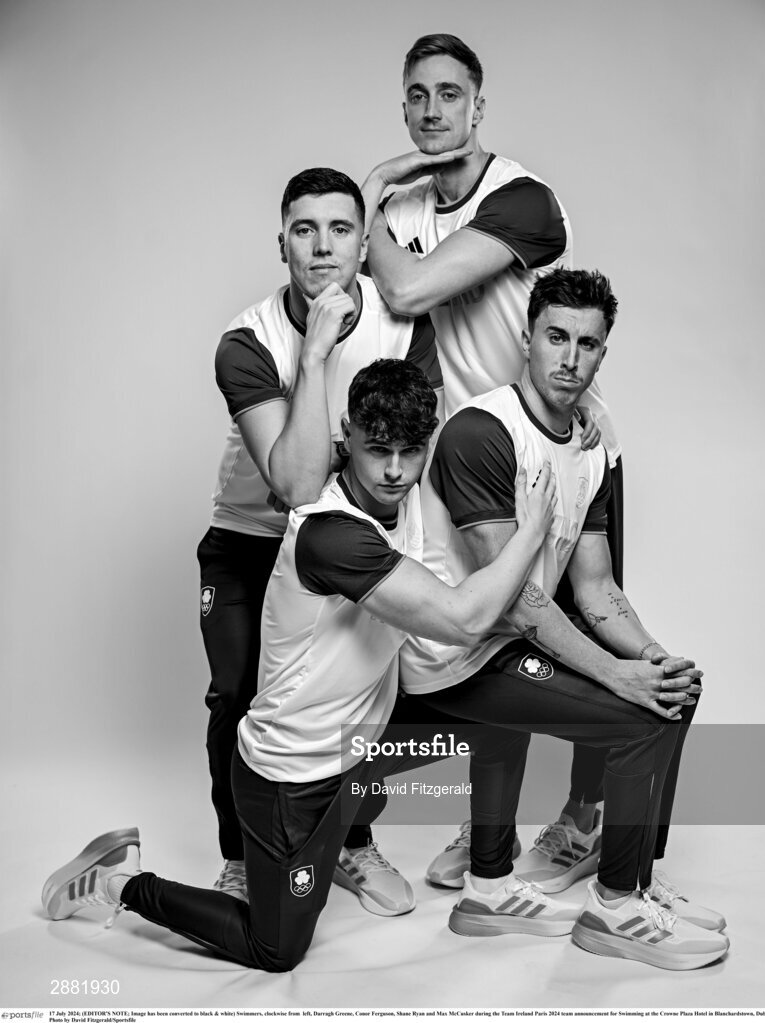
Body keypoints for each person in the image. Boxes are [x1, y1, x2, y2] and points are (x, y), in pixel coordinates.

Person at [42, 359, 558, 972]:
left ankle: (488, 882)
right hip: (291, 776)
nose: (395, 470)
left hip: (357, 752)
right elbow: (464, 617)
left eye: (410, 451)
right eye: (378, 450)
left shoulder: (412, 493)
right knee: (277, 949)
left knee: (500, 716)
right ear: (346, 438)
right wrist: (532, 530)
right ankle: (115, 881)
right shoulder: (329, 534)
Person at [400, 270, 728, 970]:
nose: (569, 357)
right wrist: (619, 677)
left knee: (671, 688)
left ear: (602, 353)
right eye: (555, 336)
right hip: (449, 652)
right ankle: (615, 907)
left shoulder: (588, 447)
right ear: (526, 337)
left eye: (587, 343)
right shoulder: (481, 430)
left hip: (503, 646)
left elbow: (595, 583)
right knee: (641, 717)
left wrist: (650, 656)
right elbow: (516, 598)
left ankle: (502, 887)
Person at [361, 33, 623, 888]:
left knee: (583, 617)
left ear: (479, 105)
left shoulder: (522, 198)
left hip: (558, 434)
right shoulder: (401, 217)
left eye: (449, 94)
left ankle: (583, 819)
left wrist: (366, 193)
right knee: (487, 641)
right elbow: (395, 327)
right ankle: (488, 844)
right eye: (417, 96)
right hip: (473, 452)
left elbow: (406, 289)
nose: (432, 111)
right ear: (403, 105)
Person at [198, 167, 442, 914]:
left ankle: (352, 844)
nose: (322, 246)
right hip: (252, 537)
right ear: (282, 244)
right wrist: (315, 354)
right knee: (235, 695)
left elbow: (407, 442)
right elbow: (296, 486)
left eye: (340, 228)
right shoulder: (247, 340)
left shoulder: (402, 322)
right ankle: (242, 857)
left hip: (352, 537)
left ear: (362, 240)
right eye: (304, 229)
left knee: (375, 695)